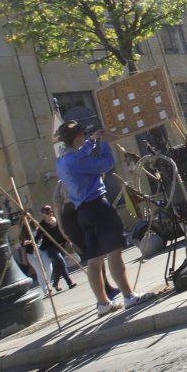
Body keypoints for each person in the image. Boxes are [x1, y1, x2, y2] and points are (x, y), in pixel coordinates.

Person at [54, 120, 154, 317]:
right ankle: (129, 295)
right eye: (83, 135)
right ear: (77, 137)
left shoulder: (62, 160)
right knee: (114, 253)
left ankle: (103, 303)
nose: (85, 137)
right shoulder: (76, 160)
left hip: (82, 211)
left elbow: (80, 154)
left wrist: (92, 141)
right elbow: (106, 164)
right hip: (98, 206)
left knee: (94, 259)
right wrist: (105, 142)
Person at [35, 204, 76, 291]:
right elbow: (37, 238)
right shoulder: (42, 225)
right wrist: (32, 243)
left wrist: (68, 239)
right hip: (50, 247)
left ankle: (55, 284)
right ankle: (69, 282)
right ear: (43, 214)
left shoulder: (56, 220)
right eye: (47, 212)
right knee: (61, 262)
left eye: (51, 211)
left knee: (58, 267)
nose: (50, 213)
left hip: (61, 245)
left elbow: (63, 230)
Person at [18, 223, 51, 295]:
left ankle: (47, 284)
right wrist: (24, 258)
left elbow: (43, 236)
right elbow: (22, 246)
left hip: (42, 250)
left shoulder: (37, 227)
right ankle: (45, 289)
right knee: (40, 271)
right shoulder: (22, 233)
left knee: (49, 268)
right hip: (31, 254)